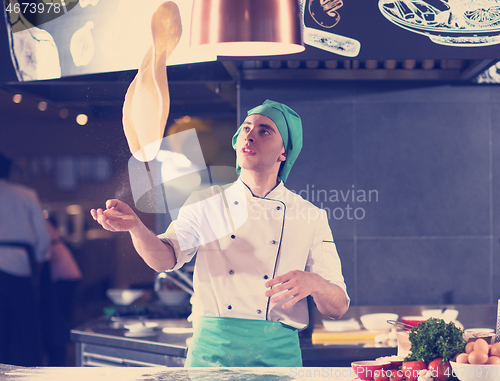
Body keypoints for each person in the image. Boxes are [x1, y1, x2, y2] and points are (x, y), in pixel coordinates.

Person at [91, 100, 349, 367]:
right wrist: (136, 227)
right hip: (211, 356)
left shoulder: (309, 215)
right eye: (246, 128)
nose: (249, 135)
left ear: (284, 152)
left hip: (277, 359)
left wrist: (316, 283)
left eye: (264, 131)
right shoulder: (207, 202)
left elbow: (338, 307)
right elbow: (165, 259)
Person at [0, 153, 50, 366]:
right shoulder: (25, 194)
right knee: (25, 329)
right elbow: (43, 236)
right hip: (20, 266)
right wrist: (37, 262)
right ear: (9, 170)